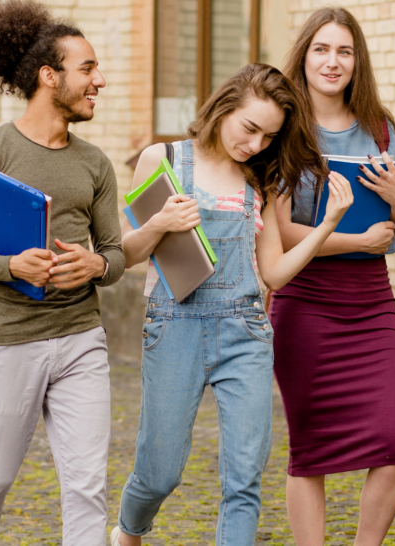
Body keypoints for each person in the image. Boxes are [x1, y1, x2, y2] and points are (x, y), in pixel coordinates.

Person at [111, 63, 354, 546]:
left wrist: (329, 225)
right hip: (173, 324)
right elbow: (127, 254)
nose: (257, 144)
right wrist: (160, 222)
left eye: (269, 136)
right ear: (223, 108)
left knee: (244, 480)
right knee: (160, 473)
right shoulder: (162, 159)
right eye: (250, 128)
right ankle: (128, 529)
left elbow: (273, 274)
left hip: (245, 332)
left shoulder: (260, 181)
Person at [0, 0, 125, 546]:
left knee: (87, 485)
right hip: (9, 340)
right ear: (50, 76)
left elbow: (114, 255)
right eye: (87, 69)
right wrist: (11, 264)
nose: (100, 81)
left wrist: (94, 265)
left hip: (80, 340)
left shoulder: (95, 163)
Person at [270, 6, 395, 546]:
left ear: (358, 62)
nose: (333, 62)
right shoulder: (282, 127)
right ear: (304, 56)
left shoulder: (379, 127)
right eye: (322, 50)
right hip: (305, 301)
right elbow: (281, 234)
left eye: (345, 52)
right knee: (310, 452)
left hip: (372, 302)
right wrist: (356, 240)